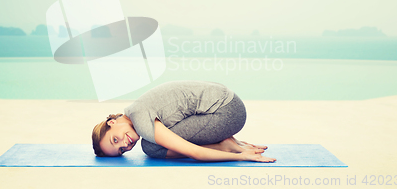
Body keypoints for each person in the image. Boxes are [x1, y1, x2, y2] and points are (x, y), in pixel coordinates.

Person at [91, 80, 276, 162]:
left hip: (228, 113)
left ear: (111, 123)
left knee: (151, 147)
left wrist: (240, 156)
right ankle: (227, 141)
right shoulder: (135, 108)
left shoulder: (141, 120)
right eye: (122, 150)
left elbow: (194, 152)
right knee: (155, 141)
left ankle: (224, 145)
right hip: (229, 102)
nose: (125, 144)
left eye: (115, 140)